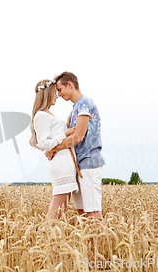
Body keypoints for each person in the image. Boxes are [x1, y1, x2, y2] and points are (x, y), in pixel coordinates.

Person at [45, 72, 105, 219]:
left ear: (70, 85)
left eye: (60, 89)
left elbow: (78, 136)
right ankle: (92, 243)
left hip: (89, 162)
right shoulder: (74, 109)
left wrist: (53, 148)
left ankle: (100, 242)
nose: (58, 94)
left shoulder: (85, 103)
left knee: (92, 212)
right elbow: (67, 133)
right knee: (83, 212)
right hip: (79, 165)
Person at [29, 79, 79, 220]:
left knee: (61, 212)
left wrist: (67, 125)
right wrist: (66, 133)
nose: (57, 95)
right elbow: (43, 143)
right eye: (54, 92)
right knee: (56, 212)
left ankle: (53, 240)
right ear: (47, 93)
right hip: (61, 165)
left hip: (66, 164)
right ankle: (47, 239)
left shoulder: (48, 114)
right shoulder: (41, 115)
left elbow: (55, 137)